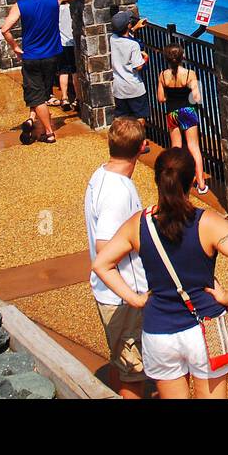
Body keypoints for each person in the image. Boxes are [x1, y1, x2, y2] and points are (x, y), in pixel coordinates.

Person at [92, 147, 228, 399]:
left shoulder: (139, 224)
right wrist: (227, 298)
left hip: (159, 330)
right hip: (206, 325)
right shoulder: (208, 222)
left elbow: (102, 264)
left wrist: (135, 299)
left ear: (157, 181)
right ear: (193, 181)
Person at [84, 117, 152, 399]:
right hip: (123, 295)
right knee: (133, 372)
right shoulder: (118, 192)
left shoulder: (101, 175)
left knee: (120, 361)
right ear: (141, 149)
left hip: (111, 294)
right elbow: (105, 247)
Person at [0, 0, 85, 145]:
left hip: (31, 57)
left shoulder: (21, 5)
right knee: (41, 93)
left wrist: (15, 47)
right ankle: (32, 118)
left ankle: (49, 132)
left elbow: (5, 29)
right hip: (52, 55)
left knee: (36, 95)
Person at [157, 43, 207, 194]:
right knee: (194, 147)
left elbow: (161, 98)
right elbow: (197, 97)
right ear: (182, 57)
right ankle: (201, 183)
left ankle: (177, 181)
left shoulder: (163, 75)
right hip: (187, 110)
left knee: (176, 148)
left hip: (172, 112)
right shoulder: (189, 74)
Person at [45, 0, 78, 111]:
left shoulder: (55, 7)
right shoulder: (69, 8)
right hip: (72, 43)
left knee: (63, 71)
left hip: (60, 43)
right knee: (75, 71)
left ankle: (64, 97)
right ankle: (77, 98)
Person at [110, 9, 149, 124]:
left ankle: (121, 139)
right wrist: (145, 59)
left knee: (121, 117)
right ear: (128, 25)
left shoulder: (112, 38)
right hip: (134, 87)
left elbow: (124, 37)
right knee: (140, 116)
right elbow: (138, 67)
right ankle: (140, 139)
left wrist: (134, 29)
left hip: (119, 87)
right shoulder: (133, 45)